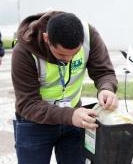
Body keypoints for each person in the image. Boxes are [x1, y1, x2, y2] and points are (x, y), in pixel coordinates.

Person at [11, 11, 119, 164]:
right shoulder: (24, 50)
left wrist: (106, 88)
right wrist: (70, 115)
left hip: (74, 120)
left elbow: (104, 71)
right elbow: (27, 104)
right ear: (46, 38)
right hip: (34, 123)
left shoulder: (89, 35)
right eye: (61, 55)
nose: (68, 60)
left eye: (74, 54)